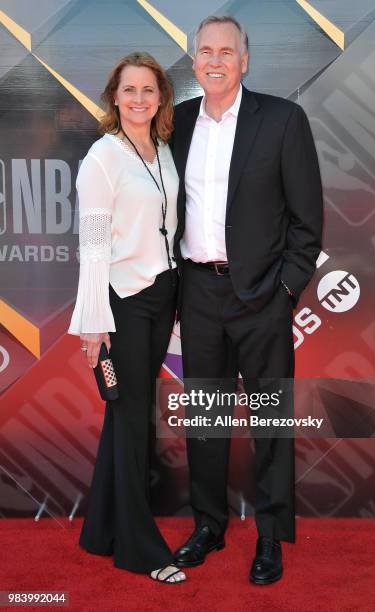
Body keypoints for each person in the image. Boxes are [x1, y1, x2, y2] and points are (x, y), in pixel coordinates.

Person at [171, 16, 323, 584]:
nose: (215, 60)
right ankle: (208, 524)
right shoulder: (177, 122)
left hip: (263, 296)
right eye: (205, 51)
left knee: (270, 420)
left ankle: (270, 536)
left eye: (226, 52)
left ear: (245, 60)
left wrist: (285, 290)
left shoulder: (283, 121)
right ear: (194, 62)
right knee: (205, 419)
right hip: (199, 293)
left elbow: (308, 223)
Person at [68, 52, 186, 584]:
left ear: (161, 97)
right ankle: (141, 549)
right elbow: (92, 247)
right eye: (129, 89)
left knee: (124, 416)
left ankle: (99, 532)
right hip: (123, 303)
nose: (139, 98)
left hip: (163, 295)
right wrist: (94, 321)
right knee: (134, 419)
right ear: (114, 97)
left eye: (149, 89)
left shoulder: (161, 149)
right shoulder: (102, 158)